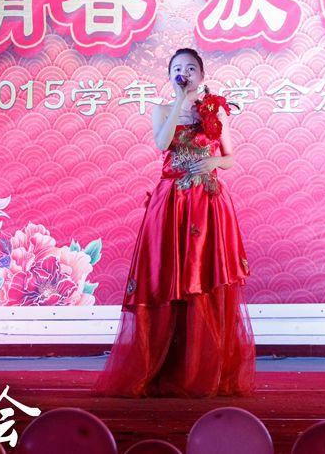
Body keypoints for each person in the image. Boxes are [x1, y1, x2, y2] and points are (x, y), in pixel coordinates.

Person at [91, 47, 256, 398]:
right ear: (169, 76)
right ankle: (163, 366)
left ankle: (202, 368)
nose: (185, 73)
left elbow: (230, 157)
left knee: (203, 279)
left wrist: (213, 163)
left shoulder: (216, 110)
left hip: (207, 203)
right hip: (172, 202)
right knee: (167, 277)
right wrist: (180, 101)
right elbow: (161, 142)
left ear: (202, 75)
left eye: (191, 68)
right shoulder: (162, 110)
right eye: (178, 68)